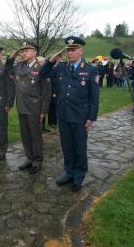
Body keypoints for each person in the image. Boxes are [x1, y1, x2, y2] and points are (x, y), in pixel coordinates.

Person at [39, 36, 99, 192]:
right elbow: (42, 74)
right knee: (66, 147)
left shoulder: (90, 69)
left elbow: (94, 97)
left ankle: (79, 176)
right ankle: (68, 172)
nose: (69, 53)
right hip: (63, 114)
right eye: (67, 50)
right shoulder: (62, 67)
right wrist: (52, 60)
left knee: (79, 147)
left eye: (73, 50)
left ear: (81, 50)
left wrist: (91, 117)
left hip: (80, 116)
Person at [5, 42, 51, 174]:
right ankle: (29, 158)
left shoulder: (41, 67)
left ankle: (37, 160)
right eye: (22, 51)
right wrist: (12, 57)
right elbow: (7, 69)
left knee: (35, 135)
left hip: (35, 107)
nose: (24, 53)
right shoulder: (20, 65)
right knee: (24, 134)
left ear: (34, 52)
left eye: (27, 50)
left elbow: (47, 91)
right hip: (22, 105)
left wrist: (44, 110)